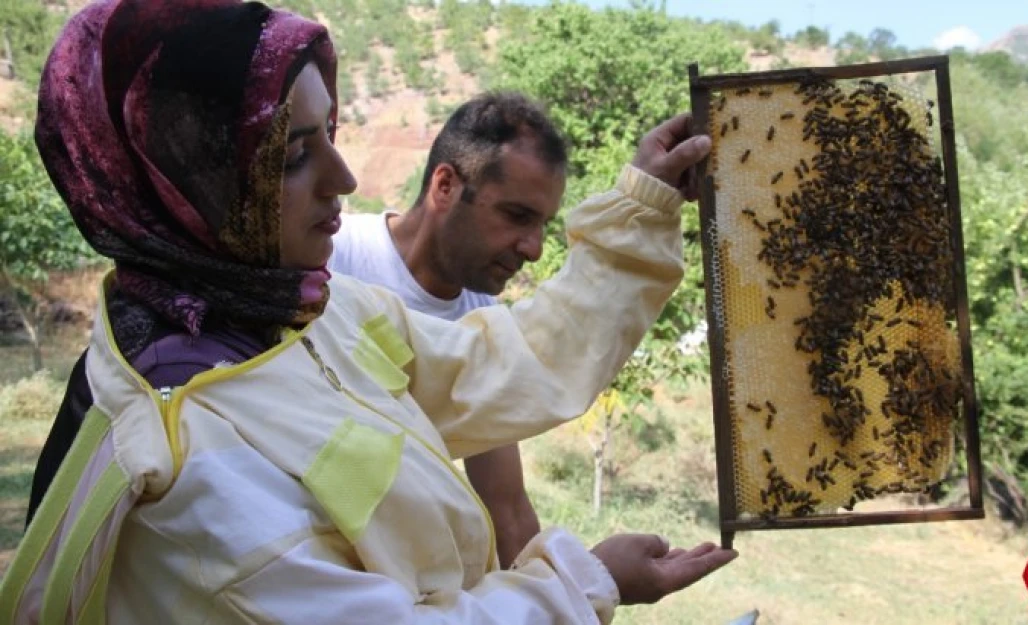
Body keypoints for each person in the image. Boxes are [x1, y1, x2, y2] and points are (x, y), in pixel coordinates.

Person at [1, 1, 735, 623]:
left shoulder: (310, 313)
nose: (343, 178)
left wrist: (642, 205)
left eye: (332, 135)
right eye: (290, 154)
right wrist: (587, 581)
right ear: (189, 180)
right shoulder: (188, 455)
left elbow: (499, 362)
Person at [327, 92, 568, 566]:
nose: (535, 248)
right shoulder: (331, 259)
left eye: (543, 224)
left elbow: (508, 508)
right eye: (517, 216)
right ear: (445, 186)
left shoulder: (481, 321)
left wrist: (571, 599)